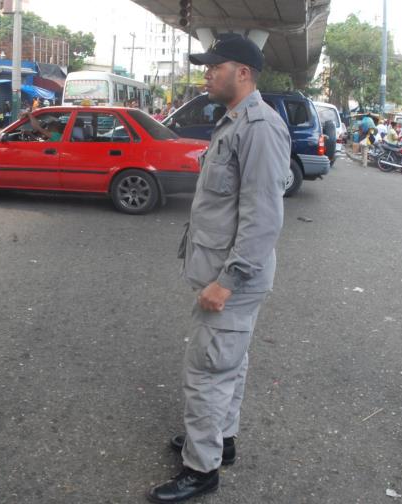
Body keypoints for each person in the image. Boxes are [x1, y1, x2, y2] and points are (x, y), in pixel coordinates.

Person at [147, 33, 290, 503]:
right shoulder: (235, 121)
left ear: (242, 73)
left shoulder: (259, 128)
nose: (206, 74)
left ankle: (201, 468)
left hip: (233, 278)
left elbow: (263, 218)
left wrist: (227, 282)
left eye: (215, 66)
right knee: (228, 363)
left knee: (207, 372)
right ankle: (220, 440)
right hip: (227, 272)